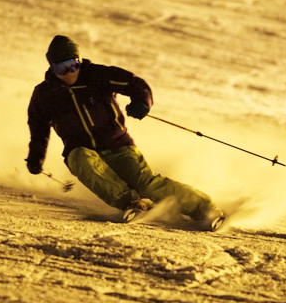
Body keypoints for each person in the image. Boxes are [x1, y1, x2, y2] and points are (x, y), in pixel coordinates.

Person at [26, 35, 225, 230]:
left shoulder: (97, 75)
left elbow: (136, 84)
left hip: (117, 144)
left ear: (79, 60)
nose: (69, 72)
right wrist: (36, 157)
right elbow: (38, 126)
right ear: (52, 67)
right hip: (79, 147)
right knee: (81, 160)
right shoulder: (45, 94)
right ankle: (134, 204)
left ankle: (206, 210)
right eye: (62, 67)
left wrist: (141, 103)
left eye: (73, 64)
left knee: (146, 184)